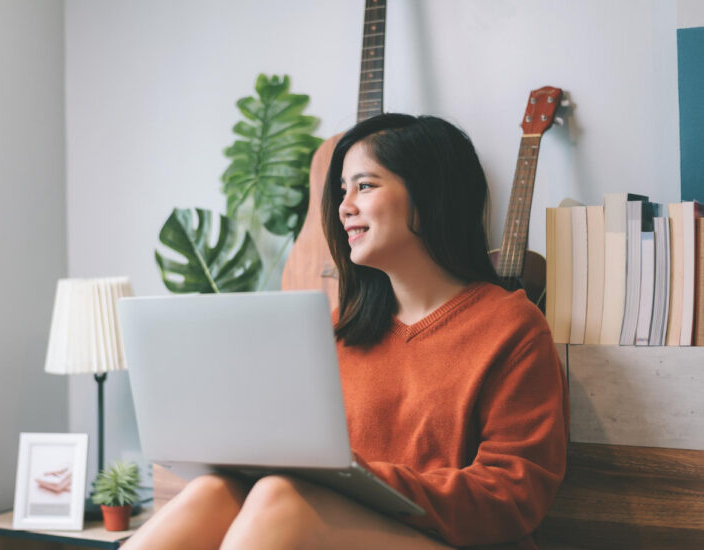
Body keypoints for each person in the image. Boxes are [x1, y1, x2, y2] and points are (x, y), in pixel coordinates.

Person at [121, 114, 568, 550]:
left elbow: (513, 495)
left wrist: (366, 478)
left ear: (430, 196)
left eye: (365, 185)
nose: (344, 206)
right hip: (329, 529)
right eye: (342, 190)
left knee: (284, 501)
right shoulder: (336, 330)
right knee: (211, 494)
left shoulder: (512, 327)